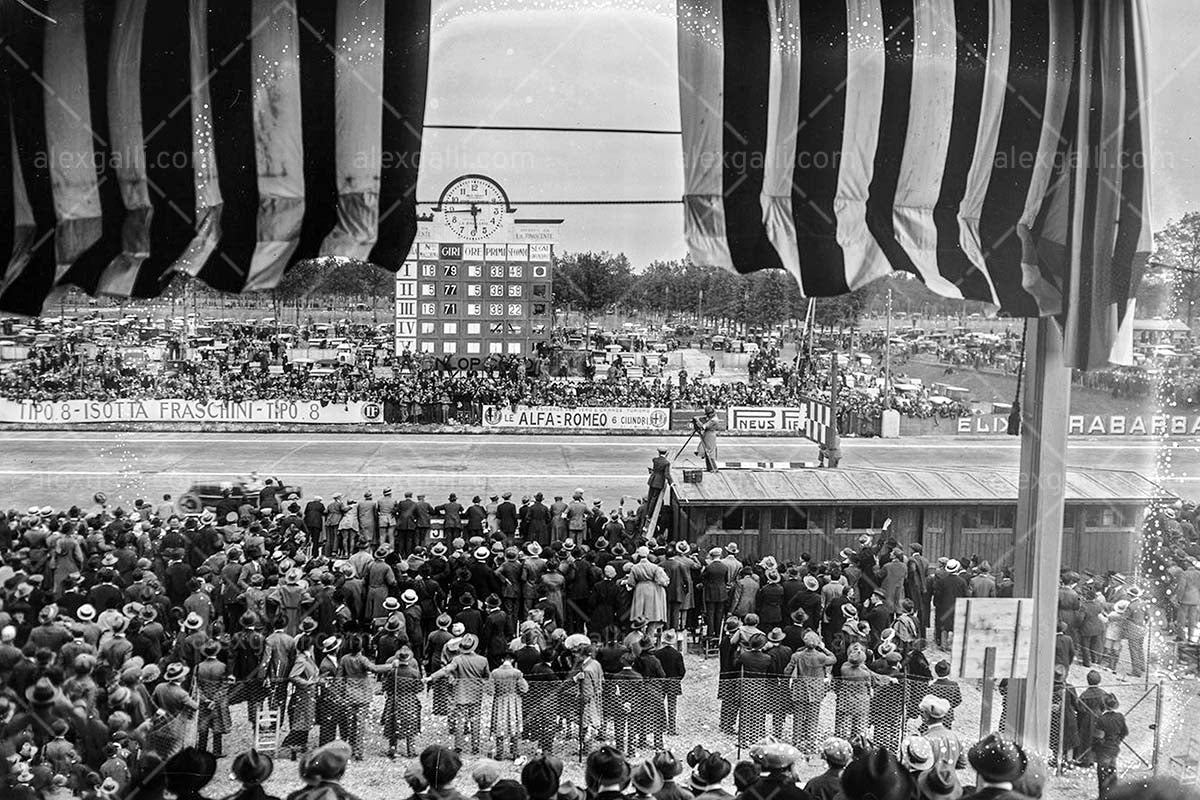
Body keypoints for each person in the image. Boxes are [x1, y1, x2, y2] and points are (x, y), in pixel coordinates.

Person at [427, 633, 491, 754]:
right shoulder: (483, 660)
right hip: (476, 694)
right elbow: (487, 676)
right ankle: (475, 747)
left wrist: (431, 677)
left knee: (460, 721)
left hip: (460, 693)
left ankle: (458, 746)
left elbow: (446, 670)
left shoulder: (457, 659)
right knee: (475, 720)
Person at [1095, 693, 1129, 800]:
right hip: (1114, 747)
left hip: (1104, 749)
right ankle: (1114, 795)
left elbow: (1099, 737)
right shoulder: (1120, 717)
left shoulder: (1101, 719)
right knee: (1112, 772)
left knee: (1102, 774)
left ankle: (1103, 796)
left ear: (1104, 705)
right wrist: (1118, 740)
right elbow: (1125, 732)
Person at [692, 407, 720, 472]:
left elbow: (703, 427)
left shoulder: (713, 420)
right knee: (707, 451)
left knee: (709, 452)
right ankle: (709, 468)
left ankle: (713, 468)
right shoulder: (712, 418)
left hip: (710, 435)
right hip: (708, 434)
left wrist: (697, 420)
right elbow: (704, 418)